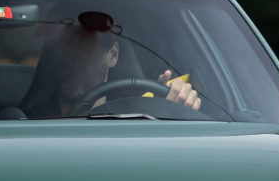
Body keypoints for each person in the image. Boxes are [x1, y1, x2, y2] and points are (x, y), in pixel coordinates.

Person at [16, 14, 202, 117]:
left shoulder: (140, 119)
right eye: (60, 47)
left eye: (84, 47)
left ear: (112, 54)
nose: (70, 58)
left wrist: (170, 108)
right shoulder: (26, 125)